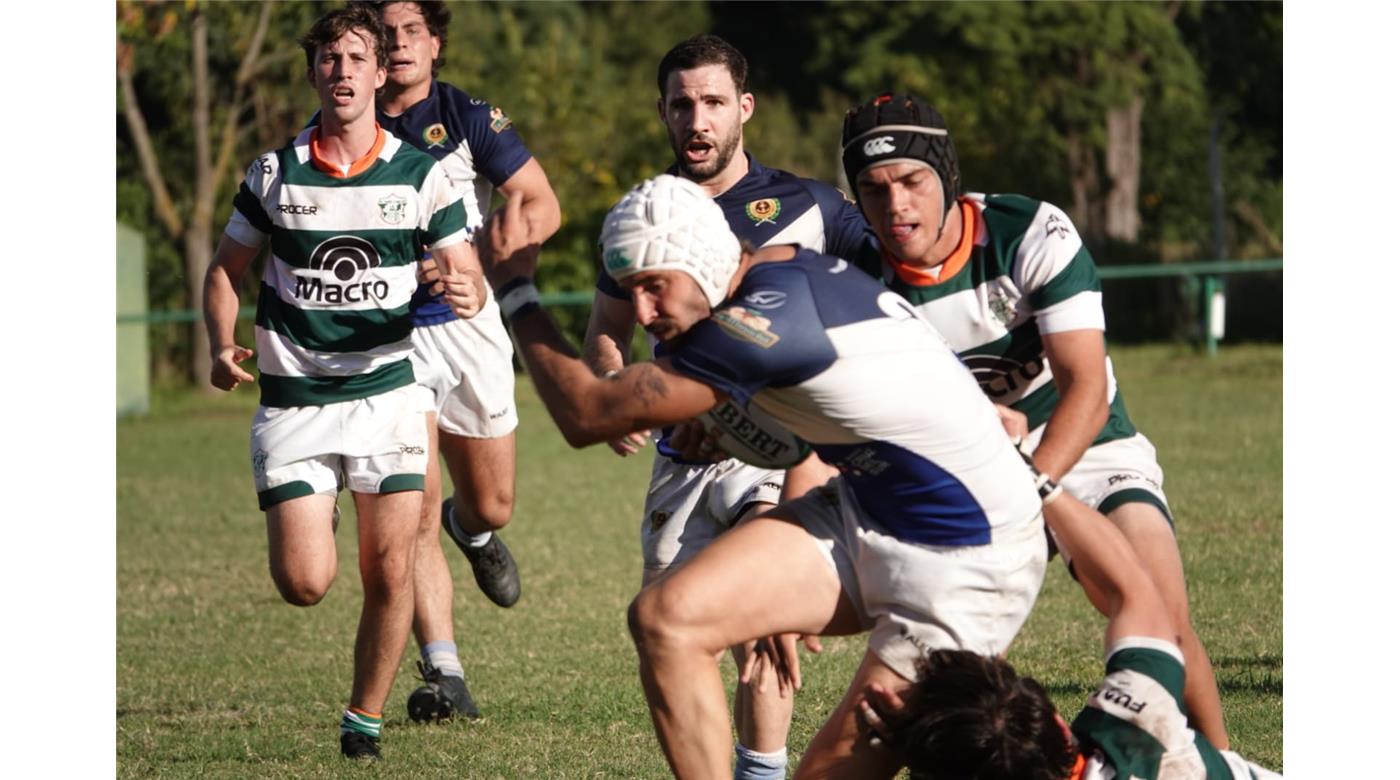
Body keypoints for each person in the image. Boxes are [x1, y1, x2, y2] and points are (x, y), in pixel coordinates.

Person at [452, 174, 1049, 779]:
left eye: (655, 286)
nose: (644, 314)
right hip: (871, 506)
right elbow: (814, 429)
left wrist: (517, 289)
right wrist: (771, 598)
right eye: (631, 292)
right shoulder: (775, 268)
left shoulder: (758, 325)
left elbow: (587, 415)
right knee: (665, 618)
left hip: (970, 559)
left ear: (703, 260)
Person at [839, 92, 1231, 749]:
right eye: (874, 189)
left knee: (1160, 614)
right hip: (957, 467)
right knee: (945, 668)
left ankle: (1219, 761)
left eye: (911, 181)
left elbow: (1087, 390)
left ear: (947, 176)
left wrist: (1023, 494)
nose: (895, 204)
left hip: (1085, 442)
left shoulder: (1029, 232)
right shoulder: (854, 275)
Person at [583, 34, 880, 779]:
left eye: (713, 102)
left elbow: (895, 279)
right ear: (662, 112)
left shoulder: (812, 206)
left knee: (758, 609)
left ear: (745, 107)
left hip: (779, 447)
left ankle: (762, 768)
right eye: (682, 105)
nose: (698, 120)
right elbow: (606, 334)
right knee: (666, 632)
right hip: (683, 456)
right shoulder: (643, 213)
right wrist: (616, 387)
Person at [201, 6, 485, 760]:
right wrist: (220, 344)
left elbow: (468, 275)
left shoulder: (421, 174)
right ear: (313, 75)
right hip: (295, 403)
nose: (343, 71)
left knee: (390, 568)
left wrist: (464, 289)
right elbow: (225, 272)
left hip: (386, 395)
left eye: (358, 58)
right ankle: (318, 501)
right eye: (330, 59)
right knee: (304, 584)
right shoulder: (275, 173)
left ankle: (364, 720)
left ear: (380, 72)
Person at [360, 0, 562, 723]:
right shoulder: (347, 128)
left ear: (435, 43)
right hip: (388, 340)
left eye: (411, 31)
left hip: (470, 329)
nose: (398, 44)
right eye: (385, 34)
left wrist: (477, 262)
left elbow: (541, 204)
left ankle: (472, 529)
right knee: (410, 508)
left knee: (492, 503)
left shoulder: (468, 117)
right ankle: (445, 673)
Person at [855, 456, 1283, 780]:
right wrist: (1033, 477)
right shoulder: (1143, 725)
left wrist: (914, 745)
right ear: (1060, 730)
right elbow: (1134, 588)